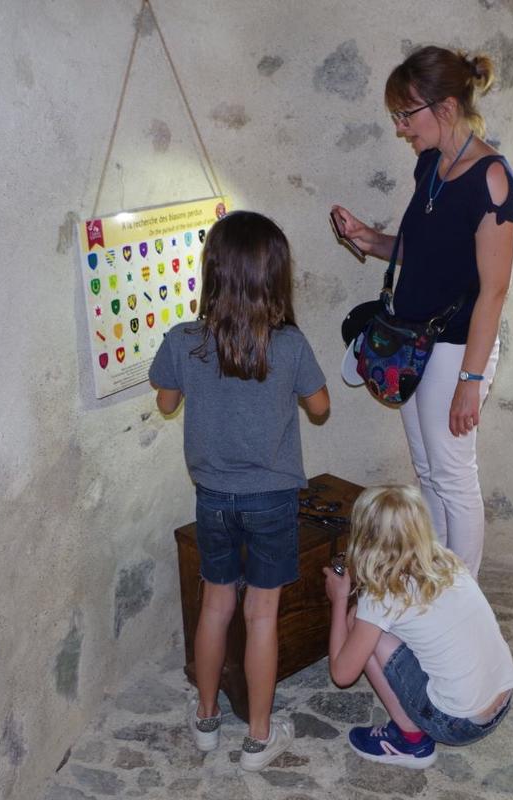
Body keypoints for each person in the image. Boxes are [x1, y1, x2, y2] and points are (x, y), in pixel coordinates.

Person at [149, 210, 330, 771]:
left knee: (214, 606)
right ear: (274, 277)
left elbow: (166, 401)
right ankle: (257, 737)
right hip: (271, 500)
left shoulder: (184, 340)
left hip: (213, 499)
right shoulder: (290, 345)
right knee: (261, 616)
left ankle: (206, 719)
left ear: (213, 274)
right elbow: (321, 408)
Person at [332, 46, 513, 576]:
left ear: (446, 106)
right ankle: (438, 583)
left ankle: (464, 604)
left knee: (455, 476)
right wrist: (370, 240)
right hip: (411, 341)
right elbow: (424, 252)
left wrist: (470, 379)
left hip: (458, 345)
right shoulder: (430, 165)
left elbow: (494, 291)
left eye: (404, 114)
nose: (399, 127)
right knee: (429, 473)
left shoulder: (492, 179)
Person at [323, 485, 513, 768]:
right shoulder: (448, 561)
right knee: (396, 628)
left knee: (360, 623)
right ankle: (416, 724)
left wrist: (339, 599)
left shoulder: (380, 597)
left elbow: (342, 674)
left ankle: (410, 741)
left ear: (364, 537)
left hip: (457, 724)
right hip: (501, 702)